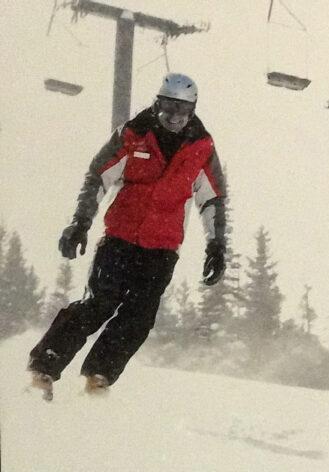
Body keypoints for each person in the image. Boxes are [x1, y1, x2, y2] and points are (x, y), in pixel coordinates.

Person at [28, 73, 228, 400]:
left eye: (181, 111)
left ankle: (99, 376)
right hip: (120, 239)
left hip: (162, 249)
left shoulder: (201, 147)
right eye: (167, 108)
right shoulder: (134, 134)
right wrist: (80, 223)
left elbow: (213, 198)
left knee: (139, 316)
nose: (173, 117)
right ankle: (44, 367)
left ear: (192, 111)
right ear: (157, 103)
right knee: (99, 303)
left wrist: (216, 245)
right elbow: (98, 177)